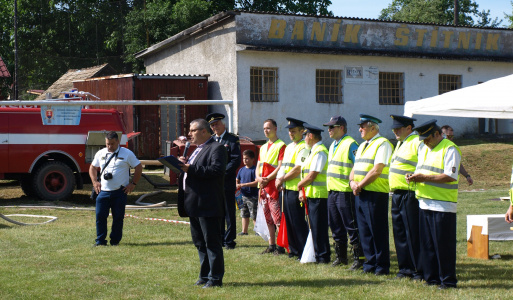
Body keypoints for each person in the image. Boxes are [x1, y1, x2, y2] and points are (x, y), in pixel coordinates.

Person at [407, 120, 461, 290]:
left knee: (443, 246)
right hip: (425, 202)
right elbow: (423, 169)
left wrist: (424, 178)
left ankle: (448, 281)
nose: (424, 142)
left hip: (442, 205)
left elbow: (450, 176)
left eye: (427, 138)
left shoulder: (450, 148)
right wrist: (414, 176)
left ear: (437, 134)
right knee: (427, 245)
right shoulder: (424, 148)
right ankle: (432, 278)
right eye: (422, 139)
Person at [177, 118, 227, 288]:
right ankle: (205, 275)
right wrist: (184, 165)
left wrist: (189, 168)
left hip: (208, 203)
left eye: (193, 130)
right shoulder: (197, 149)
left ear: (204, 131)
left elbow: (216, 171)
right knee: (199, 243)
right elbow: (193, 169)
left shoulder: (217, 148)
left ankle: (215, 278)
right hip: (193, 203)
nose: (189, 134)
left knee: (212, 243)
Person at [349, 114, 393, 275]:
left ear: (373, 128)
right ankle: (370, 263)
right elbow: (355, 168)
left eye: (363, 127)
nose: (360, 129)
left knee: (377, 231)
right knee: (365, 231)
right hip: (360, 193)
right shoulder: (362, 146)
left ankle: (381, 266)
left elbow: (377, 169)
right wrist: (352, 182)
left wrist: (359, 185)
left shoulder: (383, 144)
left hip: (375, 194)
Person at [323, 116, 365, 270]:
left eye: (332, 127)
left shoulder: (350, 144)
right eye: (328, 127)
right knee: (336, 225)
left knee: (351, 226)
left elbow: (358, 165)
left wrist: (355, 183)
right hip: (333, 191)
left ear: (342, 128)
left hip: (345, 192)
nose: (329, 130)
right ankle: (341, 257)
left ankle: (359, 258)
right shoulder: (334, 144)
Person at [89, 131, 142, 246]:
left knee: (118, 218)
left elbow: (138, 167)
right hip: (103, 192)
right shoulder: (101, 153)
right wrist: (95, 182)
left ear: (118, 142)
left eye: (112, 144)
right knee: (100, 217)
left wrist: (133, 183)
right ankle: (100, 241)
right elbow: (92, 167)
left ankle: (115, 241)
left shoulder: (127, 153)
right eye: (107, 144)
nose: (109, 146)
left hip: (119, 192)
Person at [389, 115, 422, 280]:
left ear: (409, 128)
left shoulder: (416, 141)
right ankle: (404, 269)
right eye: (394, 129)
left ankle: (417, 269)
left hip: (410, 193)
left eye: (399, 128)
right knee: (400, 233)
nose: (395, 131)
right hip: (397, 193)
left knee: (412, 233)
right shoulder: (401, 143)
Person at [206, 113, 242, 250]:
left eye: (217, 124)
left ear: (223, 125)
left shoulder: (232, 139)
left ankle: (230, 240)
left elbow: (235, 160)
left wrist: (222, 173)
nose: (215, 127)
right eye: (212, 125)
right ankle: (220, 238)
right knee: (217, 211)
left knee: (228, 211)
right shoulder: (211, 141)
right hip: (214, 183)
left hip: (226, 181)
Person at [275, 117, 309, 259]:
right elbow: (284, 166)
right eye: (290, 131)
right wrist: (279, 180)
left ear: (302, 131)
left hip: (297, 188)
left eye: (294, 131)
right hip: (287, 188)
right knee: (288, 220)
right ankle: (293, 249)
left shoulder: (304, 147)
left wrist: (282, 179)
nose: (291, 134)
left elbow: (298, 169)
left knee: (298, 220)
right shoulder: (289, 147)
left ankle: (303, 250)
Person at [297, 123, 331, 264]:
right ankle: (318, 254)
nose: (304, 138)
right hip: (312, 194)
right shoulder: (312, 151)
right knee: (314, 227)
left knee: (319, 227)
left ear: (311, 136)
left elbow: (312, 176)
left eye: (305, 135)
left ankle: (323, 256)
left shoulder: (320, 151)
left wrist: (299, 185)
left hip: (319, 195)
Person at [256, 119, 286, 254]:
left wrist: (268, 178)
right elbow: (258, 166)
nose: (266, 131)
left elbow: (280, 166)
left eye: (268, 128)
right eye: (264, 128)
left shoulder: (281, 145)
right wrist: (258, 178)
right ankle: (271, 244)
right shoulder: (262, 147)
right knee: (267, 218)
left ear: (275, 128)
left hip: (273, 186)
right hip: (263, 186)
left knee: (277, 218)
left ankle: (281, 246)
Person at [236, 149, 259, 235]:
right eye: (244, 158)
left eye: (247, 158)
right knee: (244, 214)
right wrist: (237, 184)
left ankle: (257, 230)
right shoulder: (241, 170)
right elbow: (237, 179)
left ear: (253, 159)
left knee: (254, 214)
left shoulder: (255, 170)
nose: (245, 160)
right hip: (243, 196)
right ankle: (244, 231)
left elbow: (256, 182)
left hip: (252, 196)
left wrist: (243, 185)